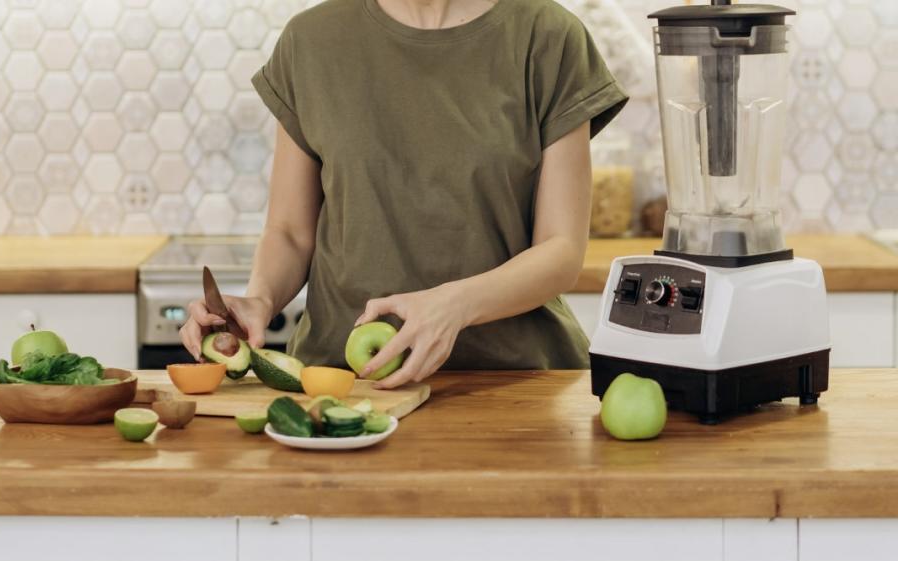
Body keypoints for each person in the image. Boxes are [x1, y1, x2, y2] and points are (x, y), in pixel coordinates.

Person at [180, 0, 628, 389]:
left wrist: (452, 307)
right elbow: (291, 233)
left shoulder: (548, 37)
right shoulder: (311, 42)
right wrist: (260, 300)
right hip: (341, 383)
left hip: (516, 381)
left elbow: (562, 251)